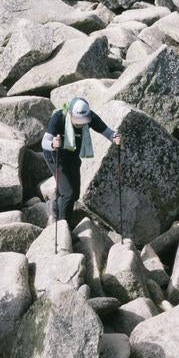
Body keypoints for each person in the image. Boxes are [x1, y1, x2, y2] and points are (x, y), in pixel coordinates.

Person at [41, 97, 121, 251]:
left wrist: (115, 138)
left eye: (84, 120)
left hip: (72, 155)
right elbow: (44, 142)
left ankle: (56, 210)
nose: (81, 123)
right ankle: (64, 231)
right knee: (68, 194)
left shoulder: (90, 117)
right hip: (55, 156)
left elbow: (107, 132)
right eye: (78, 120)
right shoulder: (58, 118)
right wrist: (53, 144)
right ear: (70, 113)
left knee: (75, 193)